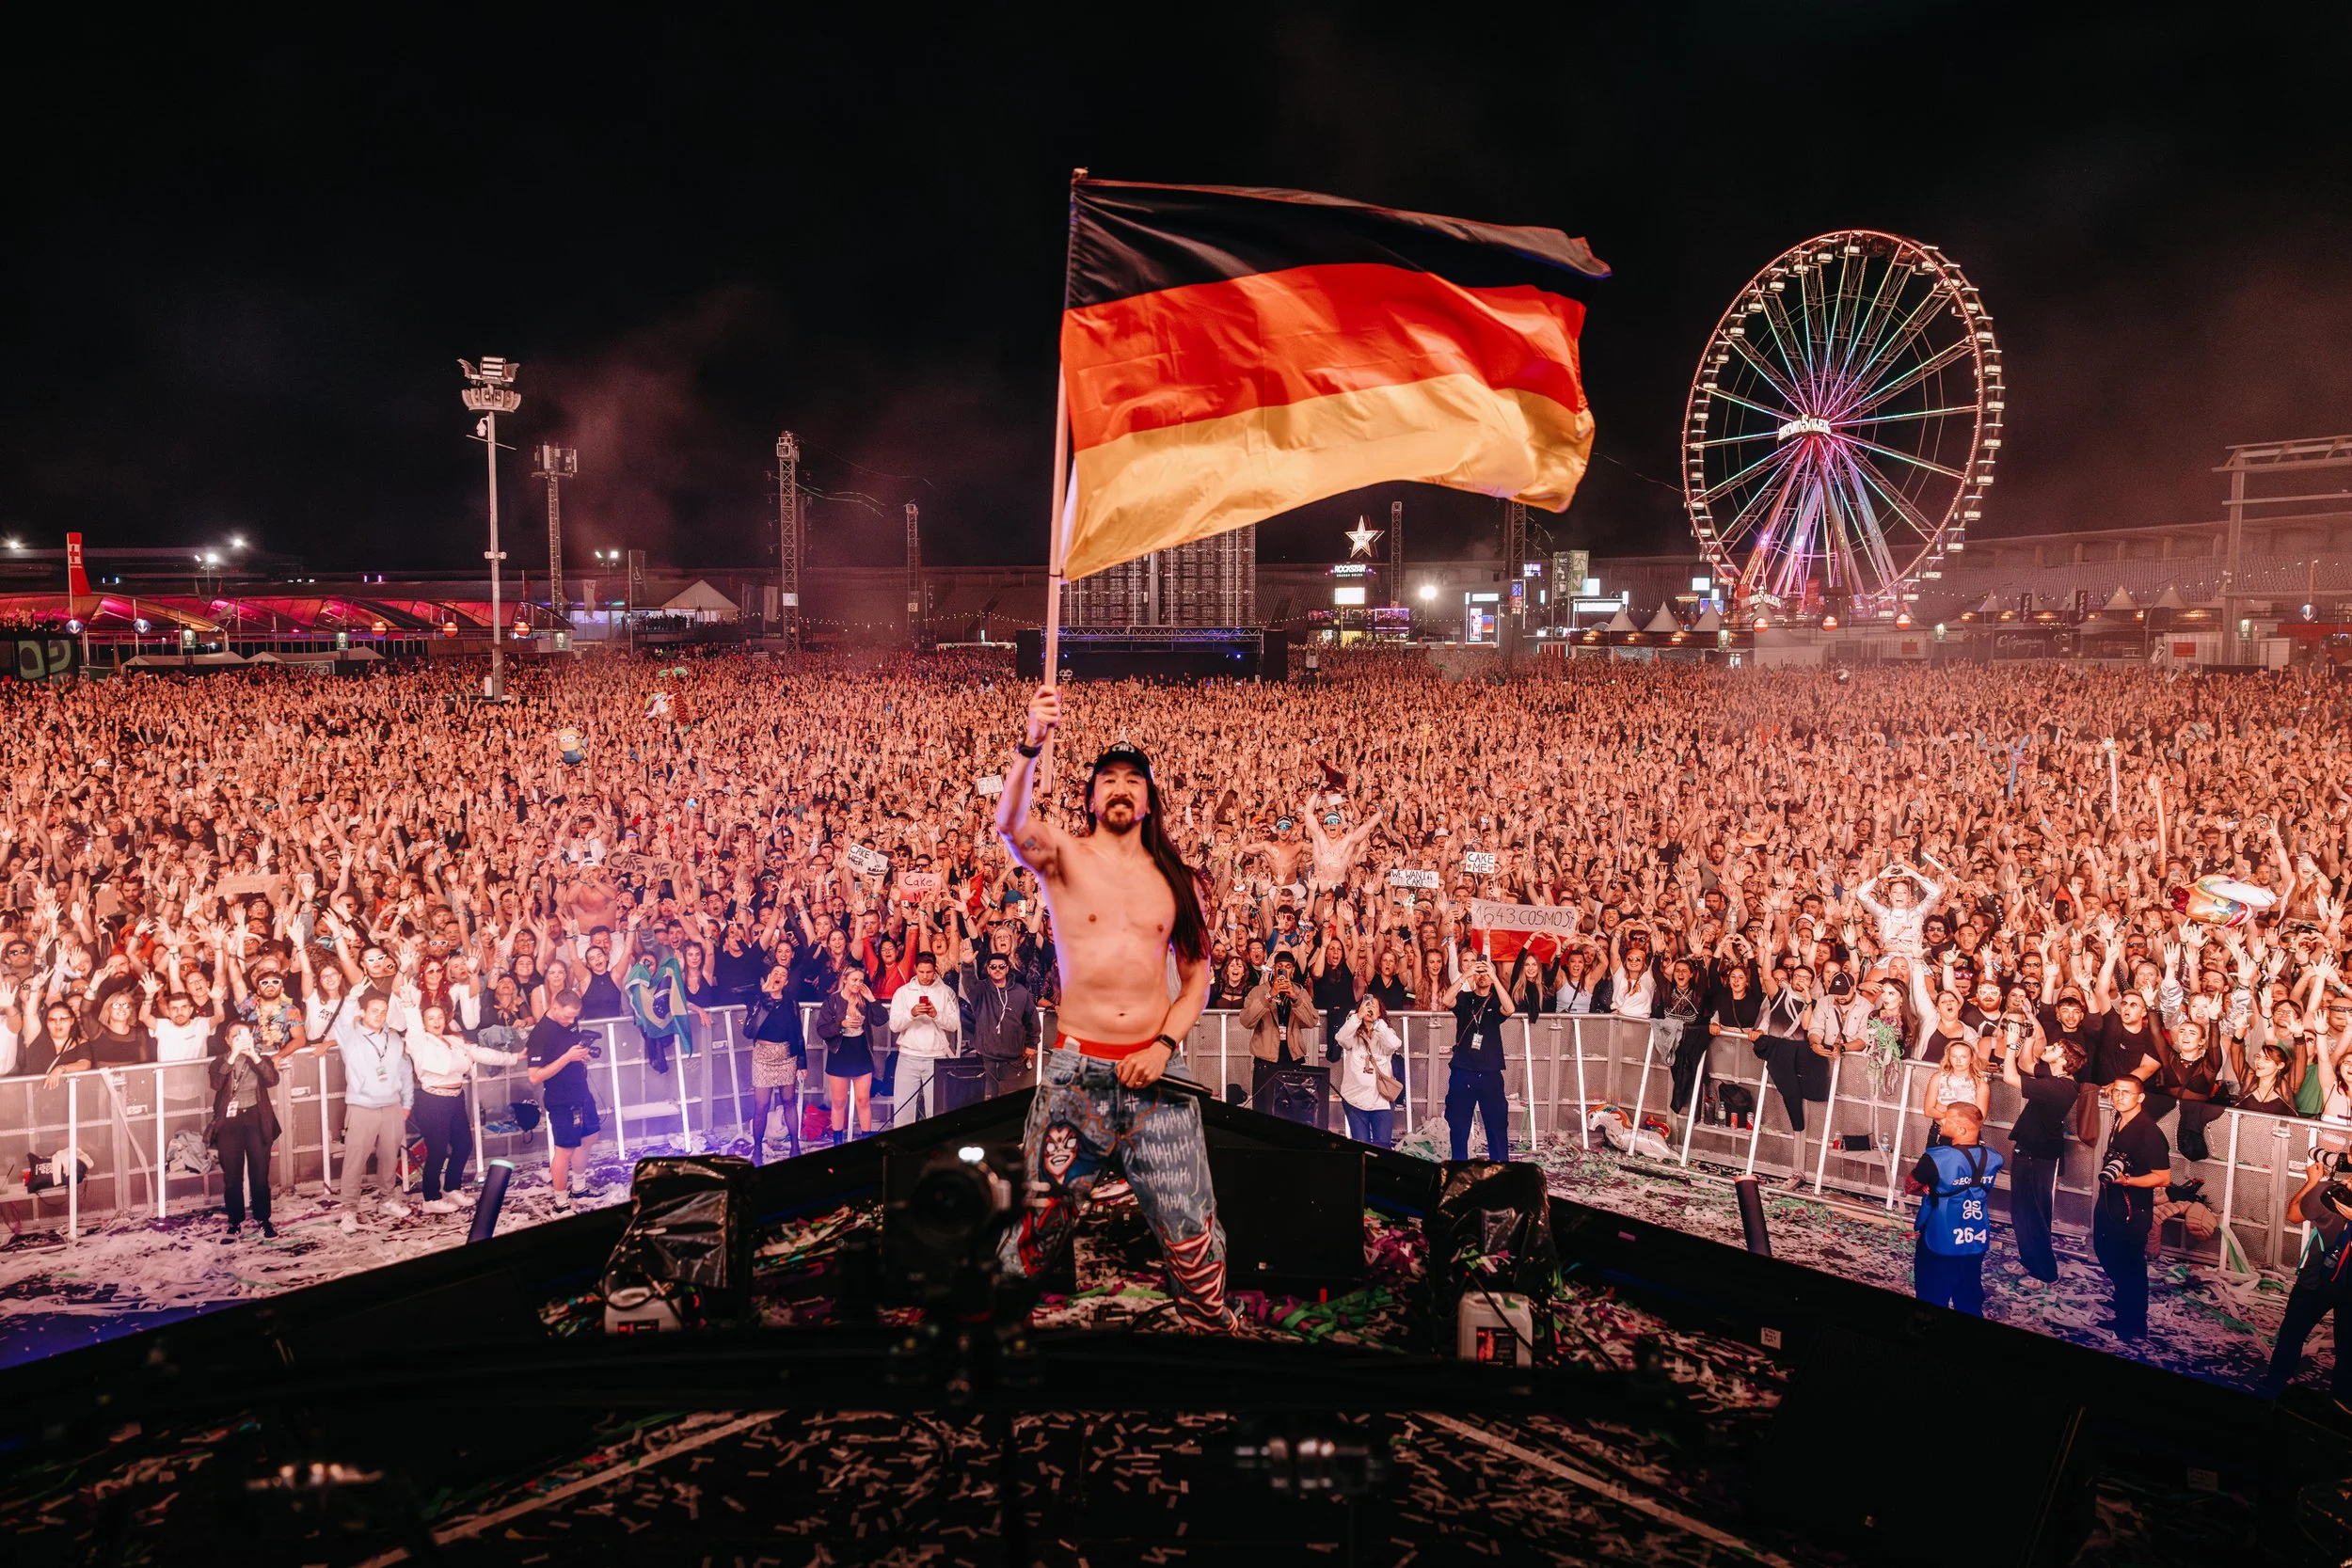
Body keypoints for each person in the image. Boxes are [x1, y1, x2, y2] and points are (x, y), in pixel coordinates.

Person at [993, 686, 1231, 1331]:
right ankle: (997, 1336)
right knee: (1035, 1222)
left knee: (1191, 1228)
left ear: (1149, 798)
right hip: (1078, 1076)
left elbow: (1197, 976)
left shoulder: (1178, 878)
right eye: (1109, 780)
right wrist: (1030, 743)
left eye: (1134, 780)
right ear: (1091, 796)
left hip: (1156, 1078)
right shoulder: (1065, 856)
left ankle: (1211, 1333)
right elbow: (1010, 823)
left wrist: (1162, 1047)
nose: (1121, 789)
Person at [404, 996, 523, 1212]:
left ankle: (451, 1187)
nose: (437, 1021)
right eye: (431, 1018)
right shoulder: (419, 1042)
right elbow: (412, 1026)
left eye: (440, 1017)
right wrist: (410, 1006)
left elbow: (480, 1053)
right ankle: (430, 1199)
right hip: (432, 1102)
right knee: (437, 1151)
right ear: (424, 1022)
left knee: (463, 1144)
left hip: (456, 1099)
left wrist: (514, 1058)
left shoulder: (454, 1041)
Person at [2261, 1157, 2352, 1405]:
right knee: (2348, 1350)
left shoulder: (2327, 1193)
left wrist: (2311, 1182)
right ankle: (2342, 1407)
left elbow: (2293, 1213)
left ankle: (2274, 1388)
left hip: (2317, 1277)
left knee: (2293, 1333)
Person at [2091, 1073, 2173, 1340]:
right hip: (2110, 1201)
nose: (2119, 1097)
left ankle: (2133, 1324)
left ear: (2140, 1097)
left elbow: (2163, 1177)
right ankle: (2124, 1303)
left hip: (2132, 1209)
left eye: (2126, 1093)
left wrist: (2127, 1179)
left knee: (2130, 1265)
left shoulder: (2149, 1131)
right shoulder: (2119, 1119)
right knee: (2105, 1251)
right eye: (2116, 1091)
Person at [1906, 1101, 2003, 1315]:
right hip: (1975, 1235)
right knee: (1968, 1295)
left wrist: (1927, 1186)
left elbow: (1910, 1185)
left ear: (1960, 1129)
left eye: (1946, 1119)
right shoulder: (1995, 1158)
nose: (1940, 1120)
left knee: (1931, 1295)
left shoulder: (1936, 1157)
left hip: (1939, 1235)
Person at [2000, 1031, 2079, 1285]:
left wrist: (2012, 1043)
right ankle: (2029, 1262)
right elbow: (2025, 1064)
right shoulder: (2055, 1077)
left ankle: (2045, 1273)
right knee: (2022, 1212)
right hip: (2028, 1150)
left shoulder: (2059, 1087)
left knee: (2033, 1214)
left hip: (2038, 1156)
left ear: (2064, 1061)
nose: (2051, 1046)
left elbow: (2010, 1076)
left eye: (2056, 1047)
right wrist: (2029, 1035)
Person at [333, 989, 414, 1234]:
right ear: (363, 1012)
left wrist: (407, 1103)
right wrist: (350, 999)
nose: (379, 1016)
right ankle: (349, 1209)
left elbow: (404, 1072)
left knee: (390, 1156)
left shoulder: (395, 1039)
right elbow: (343, 1022)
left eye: (383, 1012)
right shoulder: (352, 1037)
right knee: (355, 1160)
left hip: (391, 1106)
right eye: (374, 1011)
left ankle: (387, 1200)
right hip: (362, 1107)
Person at [525, 990, 602, 1208]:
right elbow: (534, 1076)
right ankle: (560, 1204)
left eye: (575, 1017)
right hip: (560, 1098)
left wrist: (582, 1056)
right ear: (554, 1006)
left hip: (581, 1090)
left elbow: (572, 1048)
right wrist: (567, 1058)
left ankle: (579, 1188)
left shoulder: (570, 1022)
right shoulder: (541, 1034)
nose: (571, 1021)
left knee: (590, 1137)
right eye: (567, 1016)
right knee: (565, 1150)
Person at [206, 1020, 280, 1241]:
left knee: (259, 1174)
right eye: (236, 1036)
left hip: (256, 1119)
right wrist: (232, 1056)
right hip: (230, 1122)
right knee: (232, 1176)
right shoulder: (220, 1061)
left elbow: (272, 1079)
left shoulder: (260, 1059)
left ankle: (263, 1219)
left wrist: (254, 1055)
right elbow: (216, 1083)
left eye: (245, 1035)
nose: (241, 1039)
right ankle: (235, 1221)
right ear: (228, 1040)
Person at [1441, 948, 1516, 1163]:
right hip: (1463, 1071)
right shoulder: (1465, 998)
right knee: (1459, 1127)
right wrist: (1466, 974)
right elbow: (1446, 1000)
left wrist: (1493, 976)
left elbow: (1509, 1008)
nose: (1482, 975)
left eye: (1485, 970)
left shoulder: (1495, 1000)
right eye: (1479, 971)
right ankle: (1459, 1170)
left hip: (1490, 1072)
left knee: (1496, 1126)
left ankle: (1500, 1169)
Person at [886, 950, 961, 1124]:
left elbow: (954, 1026)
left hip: (936, 1058)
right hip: (908, 1056)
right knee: (903, 1109)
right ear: (915, 969)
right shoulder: (903, 992)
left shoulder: (946, 992)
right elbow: (894, 1025)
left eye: (929, 972)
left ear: (935, 970)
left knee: (936, 1110)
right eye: (921, 972)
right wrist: (911, 1014)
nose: (925, 976)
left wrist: (936, 1015)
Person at [961, 944, 1037, 1100]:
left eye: (1001, 966)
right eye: (993, 966)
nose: (997, 969)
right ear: (988, 969)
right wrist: (967, 965)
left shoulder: (1021, 992)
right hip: (986, 1058)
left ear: (1007, 969)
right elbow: (968, 983)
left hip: (1013, 1059)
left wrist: (1032, 1044)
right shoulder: (980, 990)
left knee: (1009, 1103)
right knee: (986, 1102)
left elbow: (1032, 1020)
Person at [1238, 951, 1318, 1095]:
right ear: (1274, 969)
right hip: (1266, 1061)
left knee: (1291, 1111)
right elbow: (1246, 1021)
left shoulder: (1300, 992)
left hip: (1293, 1059)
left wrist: (1295, 998)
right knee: (1264, 1110)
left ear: (1292, 970)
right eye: (1280, 966)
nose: (1284, 969)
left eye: (1288, 966)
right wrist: (1270, 995)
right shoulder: (1259, 991)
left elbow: (1312, 1020)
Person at [814, 967, 878, 1144]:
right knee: (839, 1101)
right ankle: (838, 1142)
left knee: (863, 1100)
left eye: (860, 980)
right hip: (839, 1055)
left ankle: (867, 1140)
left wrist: (872, 999)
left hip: (861, 1055)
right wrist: (841, 1025)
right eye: (854, 980)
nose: (857, 984)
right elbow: (822, 1030)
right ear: (845, 979)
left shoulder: (864, 1000)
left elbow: (881, 1019)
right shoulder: (832, 1000)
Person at [1333, 993, 1402, 1148]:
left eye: (1374, 1006)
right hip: (1355, 1100)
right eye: (1367, 1005)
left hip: (1382, 1100)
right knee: (1360, 1146)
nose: (1370, 1009)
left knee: (1382, 1147)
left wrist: (1377, 1022)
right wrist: (1358, 1016)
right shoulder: (1353, 1031)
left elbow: (1393, 1045)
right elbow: (1341, 1039)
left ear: (1380, 1011)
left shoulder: (1385, 1031)